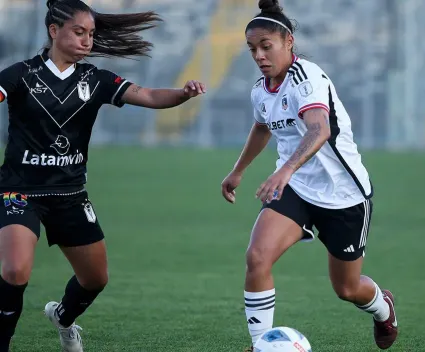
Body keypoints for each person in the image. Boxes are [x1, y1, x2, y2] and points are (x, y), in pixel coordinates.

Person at [0, 1, 206, 351]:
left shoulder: (95, 79)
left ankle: (63, 318)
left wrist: (183, 94)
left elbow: (149, 95)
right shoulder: (21, 74)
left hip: (70, 195)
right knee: (15, 271)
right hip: (20, 193)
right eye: (79, 32)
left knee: (95, 279)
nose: (87, 41)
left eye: (91, 34)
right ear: (54, 31)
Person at [220, 0, 398, 350]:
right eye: (252, 49)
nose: (258, 55)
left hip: (343, 194)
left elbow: (319, 130)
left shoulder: (308, 78)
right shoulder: (261, 89)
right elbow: (262, 128)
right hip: (297, 188)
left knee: (347, 288)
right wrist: (238, 171)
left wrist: (284, 170)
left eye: (266, 46)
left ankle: (383, 308)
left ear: (288, 42)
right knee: (257, 257)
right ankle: (259, 345)